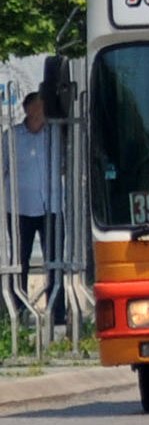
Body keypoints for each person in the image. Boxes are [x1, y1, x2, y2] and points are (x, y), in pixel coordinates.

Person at [11, 92, 65, 326]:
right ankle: (19, 311)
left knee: (55, 260)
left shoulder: (55, 135)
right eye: (38, 108)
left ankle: (58, 311)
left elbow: (65, 164)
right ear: (28, 109)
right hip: (20, 208)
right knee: (19, 260)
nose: (42, 113)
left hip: (51, 207)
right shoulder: (12, 137)